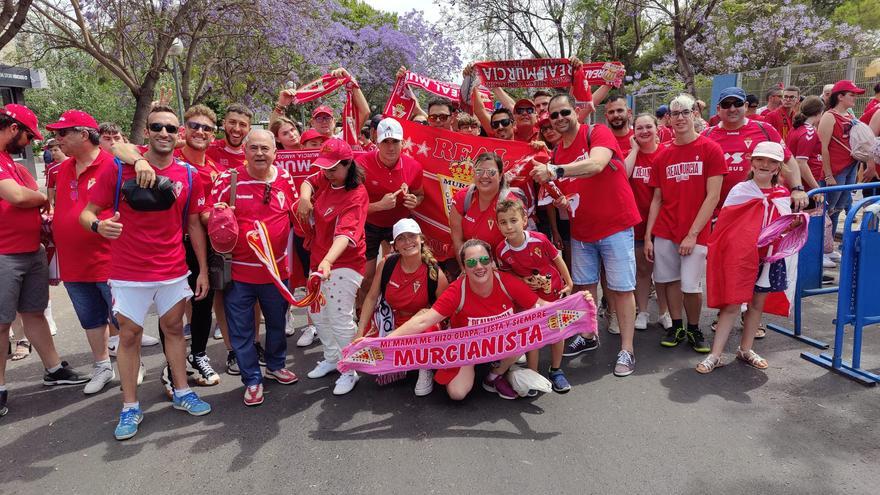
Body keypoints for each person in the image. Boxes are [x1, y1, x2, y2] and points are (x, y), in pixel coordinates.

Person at [80, 105, 212, 440]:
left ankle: (182, 392)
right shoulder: (119, 167)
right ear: (148, 132)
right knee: (129, 337)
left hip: (172, 269)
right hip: (129, 271)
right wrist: (98, 226)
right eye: (157, 127)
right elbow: (87, 212)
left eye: (170, 128)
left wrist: (203, 271)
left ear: (178, 133)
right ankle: (129, 406)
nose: (164, 134)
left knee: (173, 329)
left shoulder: (190, 175)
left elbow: (195, 224)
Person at [530, 93, 641, 377]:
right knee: (586, 288)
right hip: (582, 230)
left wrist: (555, 171)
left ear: (575, 111)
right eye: (553, 115)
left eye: (564, 112)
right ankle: (590, 336)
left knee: (621, 288)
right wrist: (561, 200)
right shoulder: (556, 152)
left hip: (615, 225)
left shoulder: (597, 132)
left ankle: (627, 349)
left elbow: (596, 165)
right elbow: (568, 195)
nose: (559, 119)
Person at [115, 104, 223, 389]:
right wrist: (139, 162)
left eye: (207, 129)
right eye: (195, 127)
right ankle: (170, 369)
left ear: (213, 135)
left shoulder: (212, 167)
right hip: (160, 250)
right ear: (185, 132)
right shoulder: (161, 154)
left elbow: (201, 215)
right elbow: (119, 148)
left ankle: (198, 355)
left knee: (201, 304)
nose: (201, 132)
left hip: (198, 241)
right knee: (165, 320)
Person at [1, 104, 88, 417]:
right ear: (14, 129)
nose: (30, 143)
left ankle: (53, 370)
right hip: (4, 254)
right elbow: (21, 197)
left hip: (30, 250)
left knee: (34, 313)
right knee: (2, 323)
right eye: (28, 136)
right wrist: (43, 199)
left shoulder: (11, 162)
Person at [388, 239, 549, 400]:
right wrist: (385, 341)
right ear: (464, 268)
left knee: (525, 331)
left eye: (484, 260)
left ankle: (495, 375)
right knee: (457, 393)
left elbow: (541, 306)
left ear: (492, 262)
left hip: (500, 342)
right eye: (471, 263)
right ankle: (435, 367)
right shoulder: (458, 290)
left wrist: (571, 308)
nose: (479, 267)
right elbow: (423, 321)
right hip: (467, 348)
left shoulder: (506, 282)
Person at [210, 129, 299, 406]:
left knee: (276, 324)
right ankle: (251, 379)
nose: (260, 153)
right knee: (242, 330)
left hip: (276, 272)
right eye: (254, 148)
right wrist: (221, 216)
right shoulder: (228, 179)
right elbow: (208, 216)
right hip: (239, 272)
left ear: (275, 152)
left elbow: (296, 212)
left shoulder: (284, 177)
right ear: (245, 151)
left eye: (265, 148)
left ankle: (274, 365)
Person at [699, 142, 795, 373]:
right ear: (752, 161)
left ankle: (746, 348)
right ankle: (716, 354)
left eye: (772, 161)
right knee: (732, 304)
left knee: (756, 304)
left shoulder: (782, 194)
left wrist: (796, 222)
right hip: (741, 258)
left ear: (778, 167)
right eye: (760, 159)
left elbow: (783, 228)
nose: (765, 165)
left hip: (768, 260)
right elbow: (725, 228)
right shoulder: (740, 191)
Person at [643, 94, 726, 353]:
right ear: (668, 119)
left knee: (691, 285)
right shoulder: (662, 156)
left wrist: (692, 234)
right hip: (665, 229)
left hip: (696, 232)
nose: (680, 118)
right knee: (668, 281)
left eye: (685, 112)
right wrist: (648, 237)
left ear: (695, 115)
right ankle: (677, 326)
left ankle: (693, 328)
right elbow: (657, 199)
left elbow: (713, 196)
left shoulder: (710, 149)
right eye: (674, 113)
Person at [48, 110, 123, 394]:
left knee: (122, 319)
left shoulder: (113, 165)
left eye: (62, 133)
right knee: (90, 318)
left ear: (83, 134)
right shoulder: (62, 168)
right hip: (74, 262)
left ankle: (133, 363)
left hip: (108, 260)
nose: (57, 139)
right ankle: (102, 366)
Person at [297, 138, 369, 395]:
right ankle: (331, 358)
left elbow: (345, 235)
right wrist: (305, 199)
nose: (328, 173)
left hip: (344, 262)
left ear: (348, 165)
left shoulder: (356, 194)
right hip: (318, 259)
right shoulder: (326, 178)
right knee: (318, 314)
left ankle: (350, 369)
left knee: (339, 318)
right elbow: (309, 181)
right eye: (325, 168)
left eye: (334, 168)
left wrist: (328, 261)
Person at [355, 218, 449, 396]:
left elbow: (442, 311)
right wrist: (359, 333)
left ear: (421, 239)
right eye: (401, 238)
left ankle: (424, 367)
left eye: (412, 236)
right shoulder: (387, 263)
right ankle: (401, 358)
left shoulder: (434, 271)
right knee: (366, 335)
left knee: (429, 326)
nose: (408, 242)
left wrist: (424, 316)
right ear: (395, 245)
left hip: (421, 324)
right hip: (393, 318)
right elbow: (371, 297)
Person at [494, 199, 574, 392]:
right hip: (527, 297)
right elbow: (507, 273)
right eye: (503, 222)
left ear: (524, 220)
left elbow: (557, 259)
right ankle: (532, 373)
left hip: (553, 292)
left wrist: (569, 282)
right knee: (532, 335)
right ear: (498, 225)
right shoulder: (501, 250)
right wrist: (522, 282)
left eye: (513, 220)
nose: (509, 226)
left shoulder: (539, 239)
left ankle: (556, 370)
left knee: (557, 331)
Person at [354, 118, 424, 306]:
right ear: (377, 142)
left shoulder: (413, 166)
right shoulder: (360, 164)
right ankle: (362, 315)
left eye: (395, 141)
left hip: (398, 226)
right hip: (369, 224)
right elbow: (349, 206)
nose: (391, 147)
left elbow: (420, 194)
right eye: (386, 141)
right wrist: (378, 206)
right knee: (367, 277)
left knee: (397, 272)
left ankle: (392, 312)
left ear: (403, 142)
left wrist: (414, 201)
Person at [624, 114, 672, 331]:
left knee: (662, 271)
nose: (644, 131)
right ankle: (642, 311)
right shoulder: (630, 155)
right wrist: (634, 150)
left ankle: (664, 312)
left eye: (648, 127)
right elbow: (624, 176)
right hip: (637, 222)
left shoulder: (666, 153)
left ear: (657, 128)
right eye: (639, 128)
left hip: (663, 222)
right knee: (642, 270)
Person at [449, 152, 522, 267]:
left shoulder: (510, 204)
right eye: (479, 171)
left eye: (491, 172)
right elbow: (458, 241)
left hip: (504, 268)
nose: (484, 176)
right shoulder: (462, 198)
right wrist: (465, 270)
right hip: (472, 266)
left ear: (501, 175)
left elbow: (519, 246)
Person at [818, 80, 864, 238]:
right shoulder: (829, 116)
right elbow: (822, 147)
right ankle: (822, 247)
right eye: (852, 95)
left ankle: (829, 248)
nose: (855, 98)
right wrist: (828, 174)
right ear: (840, 97)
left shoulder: (850, 115)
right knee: (827, 210)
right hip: (836, 171)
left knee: (839, 207)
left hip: (850, 167)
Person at [206, 103, 251, 170]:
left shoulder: (252, 155)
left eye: (242, 125)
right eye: (232, 122)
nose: (237, 129)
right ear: (224, 124)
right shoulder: (208, 149)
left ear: (249, 130)